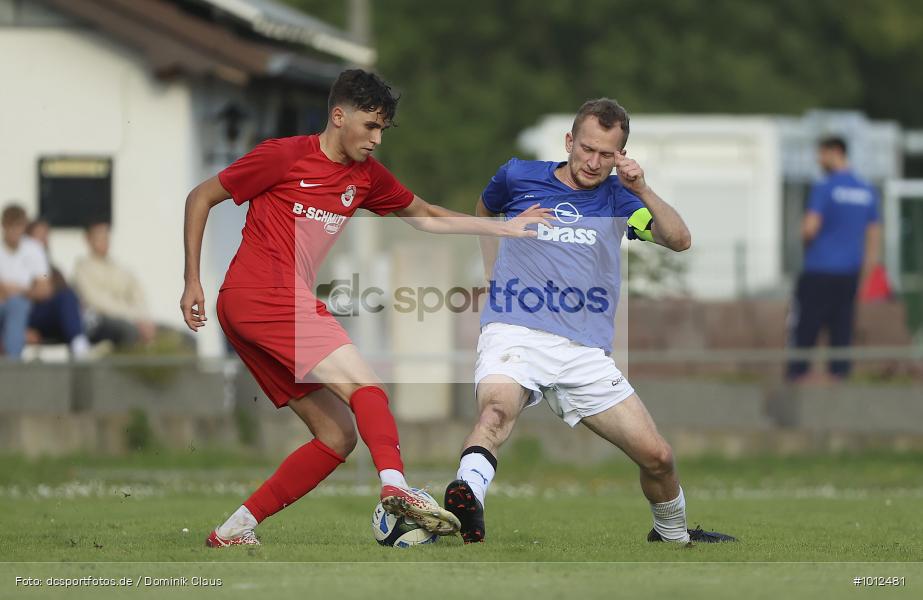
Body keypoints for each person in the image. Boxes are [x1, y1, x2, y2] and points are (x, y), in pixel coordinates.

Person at [181, 69, 551, 547]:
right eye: (370, 126)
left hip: (255, 309)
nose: (376, 139)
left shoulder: (365, 177)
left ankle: (234, 530)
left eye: (382, 129)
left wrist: (501, 228)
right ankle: (396, 488)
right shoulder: (284, 155)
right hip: (262, 295)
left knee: (336, 436)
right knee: (367, 387)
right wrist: (192, 278)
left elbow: (426, 215)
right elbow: (202, 196)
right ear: (339, 116)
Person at [443, 98, 735, 545]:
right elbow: (485, 211)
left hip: (583, 350)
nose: (594, 162)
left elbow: (679, 240)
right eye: (587, 149)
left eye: (606, 154)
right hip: (515, 328)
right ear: (569, 141)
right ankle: (468, 498)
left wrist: (643, 189)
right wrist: (491, 272)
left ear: (620, 156)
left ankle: (673, 537)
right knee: (497, 411)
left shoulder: (620, 199)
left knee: (657, 456)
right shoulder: (518, 176)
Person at [786, 136, 882, 382]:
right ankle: (839, 382)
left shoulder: (825, 187)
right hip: (849, 273)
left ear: (835, 152)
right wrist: (866, 272)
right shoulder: (866, 190)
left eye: (821, 154)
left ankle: (796, 381)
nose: (818, 160)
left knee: (806, 328)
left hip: (819, 270)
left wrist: (807, 244)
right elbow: (873, 237)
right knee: (842, 331)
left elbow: (809, 228)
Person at [73, 221, 157, 349]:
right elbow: (98, 302)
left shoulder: (119, 269)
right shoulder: (82, 269)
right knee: (129, 332)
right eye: (99, 237)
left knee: (181, 337)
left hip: (132, 320)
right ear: (88, 239)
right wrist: (134, 318)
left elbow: (138, 295)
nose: (104, 241)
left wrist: (144, 319)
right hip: (99, 324)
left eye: (106, 236)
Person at [25, 219, 92, 358]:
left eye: (46, 236)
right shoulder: (21, 266)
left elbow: (66, 295)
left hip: (55, 321)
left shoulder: (54, 271)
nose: (44, 241)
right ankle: (79, 344)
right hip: (30, 317)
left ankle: (80, 343)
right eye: (39, 236)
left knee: (69, 298)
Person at [0, 204, 52, 360]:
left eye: (19, 225)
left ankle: (13, 363)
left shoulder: (35, 250)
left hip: (28, 308)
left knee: (17, 304)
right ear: (3, 225)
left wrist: (17, 290)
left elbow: (44, 283)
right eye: (11, 225)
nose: (15, 230)